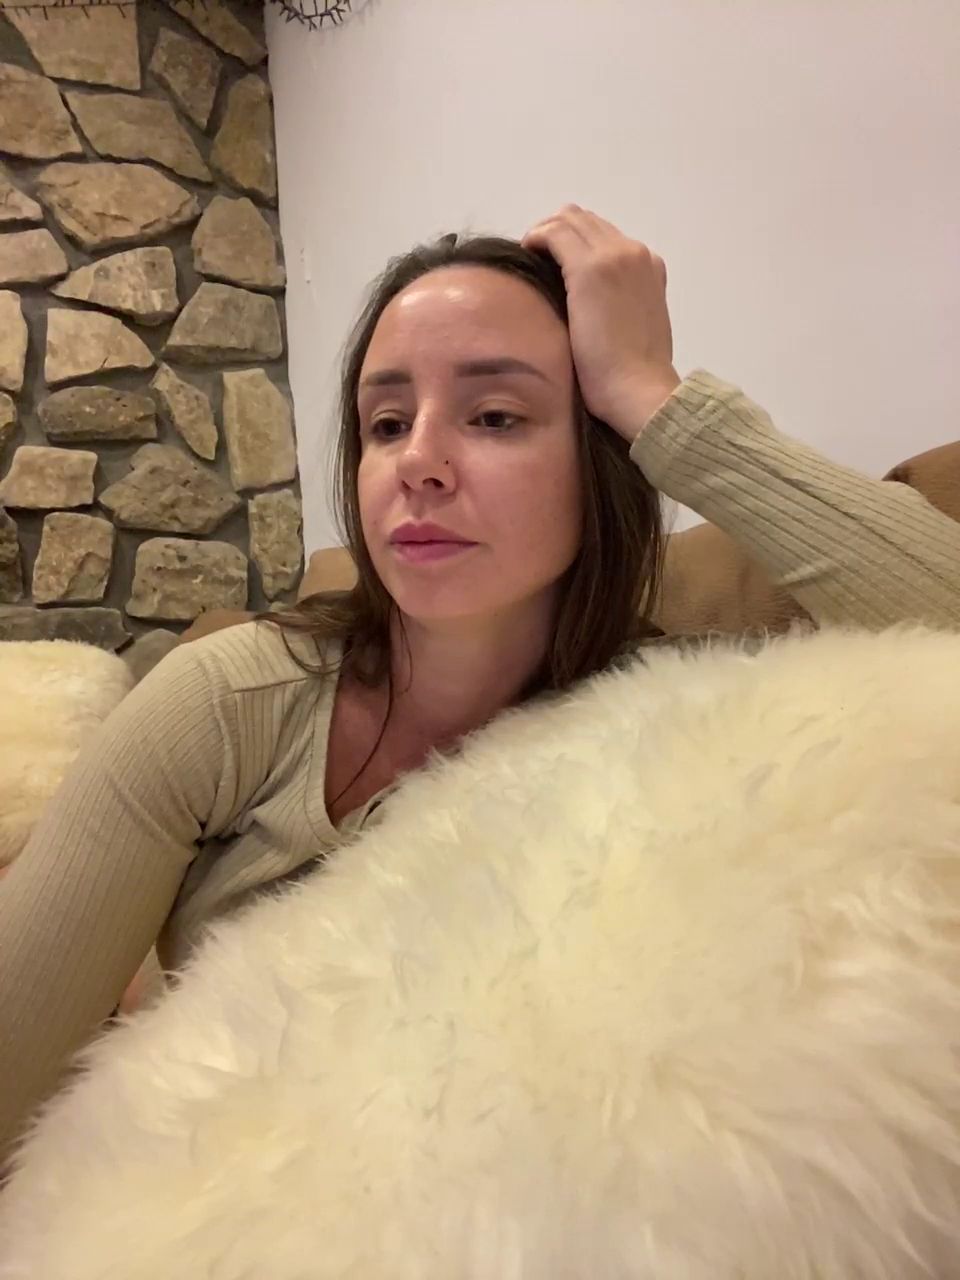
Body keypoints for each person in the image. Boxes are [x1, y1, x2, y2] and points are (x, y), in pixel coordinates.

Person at [2, 206, 959, 1163]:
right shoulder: (229, 702)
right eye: (386, 424)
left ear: (601, 460)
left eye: (495, 416)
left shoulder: (677, 716)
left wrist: (654, 395)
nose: (416, 462)